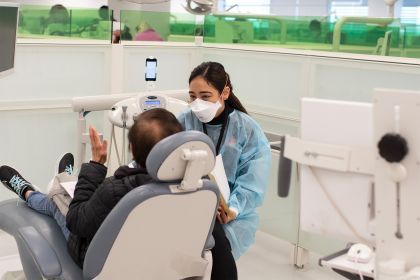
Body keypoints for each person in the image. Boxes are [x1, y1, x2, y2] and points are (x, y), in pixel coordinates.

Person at [0, 108, 183, 268]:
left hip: (97, 260)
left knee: (56, 202)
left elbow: (76, 220)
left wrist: (95, 164)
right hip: (157, 261)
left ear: (131, 148)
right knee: (70, 197)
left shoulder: (117, 190)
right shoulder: (192, 186)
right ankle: (64, 179)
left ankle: (31, 191)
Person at [178, 62, 272, 279]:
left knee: (214, 255)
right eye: (192, 96)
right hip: (187, 204)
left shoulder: (247, 130)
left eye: (205, 96)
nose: (197, 104)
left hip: (228, 213)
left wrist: (233, 210)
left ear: (225, 93)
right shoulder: (184, 120)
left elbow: (253, 182)